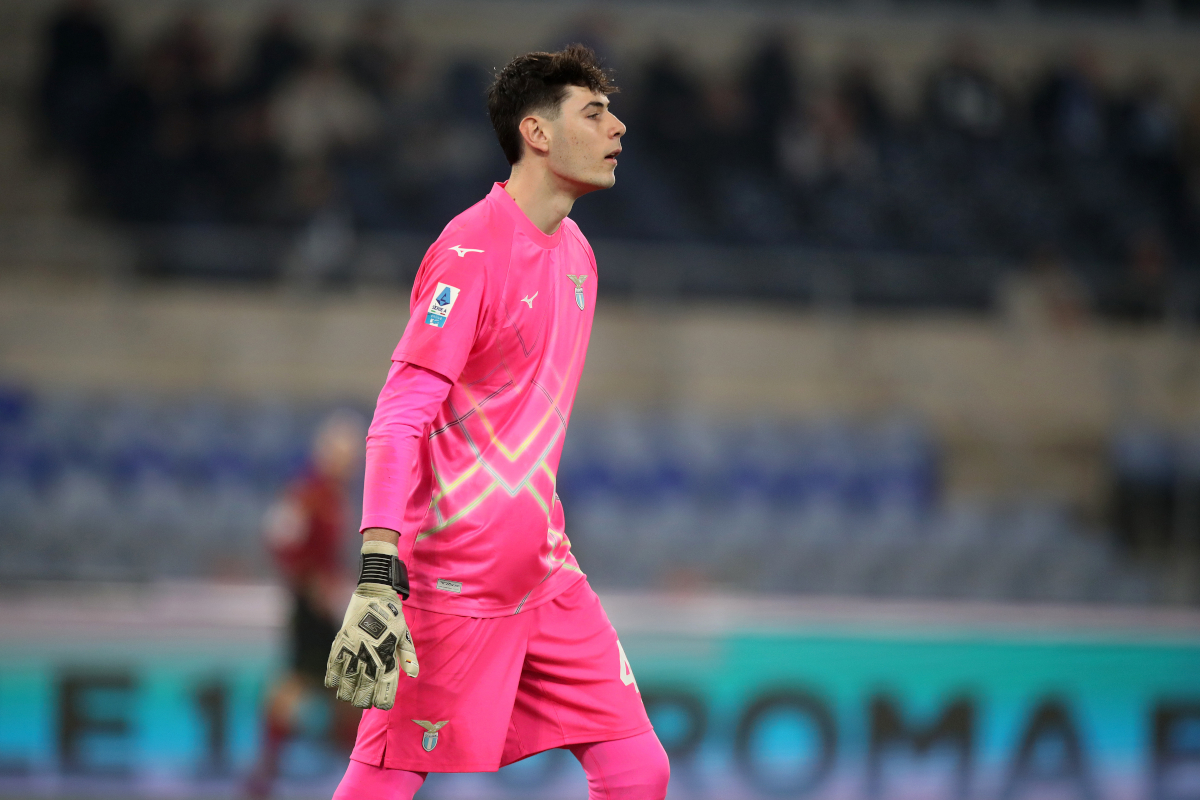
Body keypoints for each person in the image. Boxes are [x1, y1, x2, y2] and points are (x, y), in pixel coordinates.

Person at [323, 45, 670, 799]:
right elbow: (397, 415)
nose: (617, 127)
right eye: (594, 112)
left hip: (545, 575)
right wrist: (381, 573)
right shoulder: (468, 251)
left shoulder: (579, 256)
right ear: (537, 134)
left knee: (638, 769)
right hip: (448, 585)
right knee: (381, 784)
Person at [246, 411, 366, 798]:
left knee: (334, 686)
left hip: (326, 603)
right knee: (311, 683)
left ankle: (270, 771)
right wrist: (307, 579)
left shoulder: (331, 496)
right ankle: (267, 772)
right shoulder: (308, 494)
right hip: (314, 605)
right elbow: (281, 539)